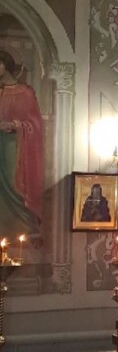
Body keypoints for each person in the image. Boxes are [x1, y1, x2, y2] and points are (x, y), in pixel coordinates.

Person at [0, 50, 44, 237]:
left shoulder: (25, 93)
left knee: (12, 183)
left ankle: (24, 224)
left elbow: (35, 124)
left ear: (7, 65)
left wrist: (14, 125)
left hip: (16, 145)